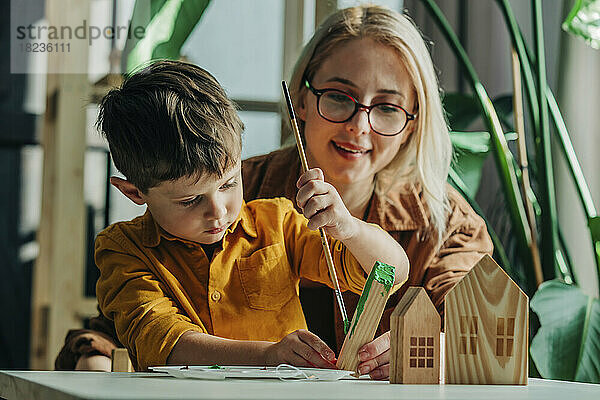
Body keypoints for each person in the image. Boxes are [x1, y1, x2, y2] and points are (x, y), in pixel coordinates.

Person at [56, 5, 492, 379]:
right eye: (339, 97)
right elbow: (126, 329)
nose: (359, 126)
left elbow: (485, 326)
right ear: (299, 99)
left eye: (387, 106)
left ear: (413, 121)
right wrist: (94, 359)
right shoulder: (233, 185)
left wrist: (432, 348)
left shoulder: (447, 223)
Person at [82, 59, 408, 371]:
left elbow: (391, 273)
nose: (218, 210)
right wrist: (269, 355)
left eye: (229, 183)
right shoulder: (122, 249)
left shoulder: (277, 222)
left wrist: (348, 228)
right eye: (190, 200)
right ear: (135, 193)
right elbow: (166, 343)